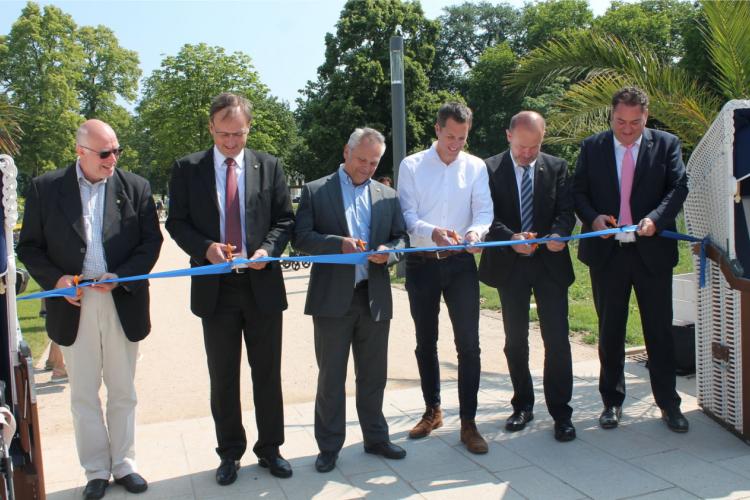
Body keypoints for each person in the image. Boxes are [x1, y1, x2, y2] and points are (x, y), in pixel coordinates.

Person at [17, 119, 162, 499]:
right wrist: (56, 281)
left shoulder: (136, 187)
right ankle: (96, 470)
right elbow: (29, 247)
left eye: (116, 150)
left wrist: (123, 275)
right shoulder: (46, 189)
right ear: (80, 152)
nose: (112, 159)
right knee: (83, 393)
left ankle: (125, 464)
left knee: (122, 389)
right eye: (104, 152)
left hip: (122, 299)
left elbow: (151, 243)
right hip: (73, 304)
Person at [165, 92, 295, 484]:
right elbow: (177, 222)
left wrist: (267, 249)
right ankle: (229, 453)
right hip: (215, 289)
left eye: (238, 134)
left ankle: (271, 449)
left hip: (262, 286)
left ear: (248, 128)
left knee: (267, 374)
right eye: (224, 134)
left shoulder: (269, 166)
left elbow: (285, 220)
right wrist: (205, 248)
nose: (231, 142)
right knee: (223, 376)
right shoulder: (187, 169)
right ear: (211, 127)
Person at [573, 86, 689, 433]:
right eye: (620, 122)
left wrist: (656, 218)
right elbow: (578, 191)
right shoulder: (592, 147)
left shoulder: (666, 144)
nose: (626, 129)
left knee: (659, 331)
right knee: (610, 331)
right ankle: (611, 402)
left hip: (651, 253)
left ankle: (669, 404)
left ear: (646, 117)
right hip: (607, 254)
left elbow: (678, 187)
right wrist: (593, 219)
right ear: (611, 116)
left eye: (634, 123)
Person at [293, 128, 409, 473]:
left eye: (374, 162)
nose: (367, 167)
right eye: (362, 160)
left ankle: (375, 438)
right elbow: (301, 238)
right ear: (346, 152)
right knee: (331, 377)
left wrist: (389, 254)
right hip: (331, 300)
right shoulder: (316, 191)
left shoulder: (387, 195)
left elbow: (402, 238)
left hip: (373, 297)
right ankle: (329, 446)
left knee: (374, 375)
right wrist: (336, 244)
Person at [398, 102, 493, 454]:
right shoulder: (412, 166)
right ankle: (432, 410)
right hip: (422, 263)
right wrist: (431, 231)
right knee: (426, 341)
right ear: (437, 129)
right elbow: (407, 215)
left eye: (462, 138)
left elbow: (483, 211)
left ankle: (469, 422)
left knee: (469, 344)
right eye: (450, 136)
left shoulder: (476, 167)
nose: (455, 144)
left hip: (461, 265)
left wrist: (475, 234)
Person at [478, 111, 576, 442]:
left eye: (534, 147)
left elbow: (566, 211)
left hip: (550, 264)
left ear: (542, 138)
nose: (527, 154)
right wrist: (512, 238)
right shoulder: (489, 169)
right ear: (509, 136)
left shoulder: (558, 167)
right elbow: (485, 216)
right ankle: (522, 404)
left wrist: (559, 235)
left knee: (558, 339)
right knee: (515, 341)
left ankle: (561, 412)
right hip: (511, 266)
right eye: (521, 147)